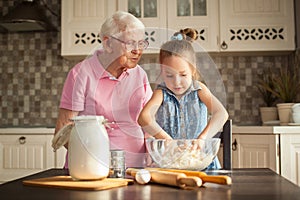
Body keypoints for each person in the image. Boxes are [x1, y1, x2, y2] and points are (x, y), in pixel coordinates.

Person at [54, 11, 152, 168]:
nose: (138, 50)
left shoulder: (140, 75)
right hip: (90, 168)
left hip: (136, 170)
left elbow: (149, 123)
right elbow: (63, 131)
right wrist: (95, 162)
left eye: (141, 43)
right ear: (107, 43)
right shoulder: (81, 74)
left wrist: (153, 154)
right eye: (131, 43)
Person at [138, 29, 229, 169]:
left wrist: (203, 138)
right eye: (169, 75)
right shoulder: (161, 93)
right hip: (171, 163)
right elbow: (144, 117)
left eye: (183, 75)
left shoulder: (200, 90)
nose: (177, 82)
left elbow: (221, 113)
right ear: (162, 72)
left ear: (192, 70)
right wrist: (165, 138)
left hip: (201, 162)